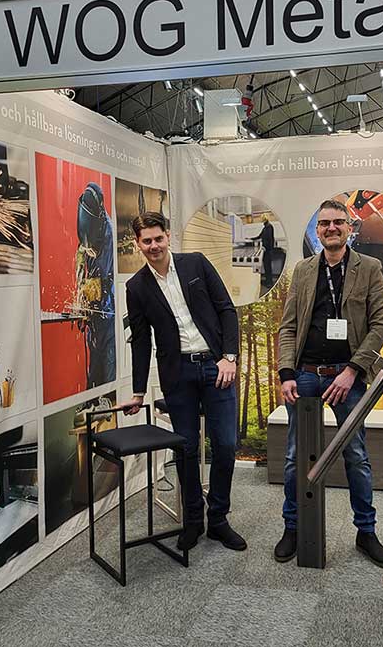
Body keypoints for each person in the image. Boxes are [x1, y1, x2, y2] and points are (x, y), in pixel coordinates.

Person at [274, 199, 383, 568]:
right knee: (294, 456)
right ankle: (292, 527)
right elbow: (288, 327)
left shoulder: (369, 268)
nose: (331, 228)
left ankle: (366, 532)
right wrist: (286, 373)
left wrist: (353, 370)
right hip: (306, 375)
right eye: (324, 223)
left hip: (347, 375)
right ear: (317, 230)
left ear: (349, 228)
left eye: (338, 222)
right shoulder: (303, 270)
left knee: (356, 455)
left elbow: (380, 326)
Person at [121, 212, 246, 552]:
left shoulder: (196, 264)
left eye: (158, 238)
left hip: (216, 366)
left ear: (168, 236)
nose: (154, 246)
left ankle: (218, 519)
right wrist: (137, 391)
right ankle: (193, 521)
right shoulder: (136, 287)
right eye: (146, 241)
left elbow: (226, 310)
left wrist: (229, 357)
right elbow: (141, 341)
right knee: (186, 448)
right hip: (178, 376)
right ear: (138, 244)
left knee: (225, 445)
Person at [76, 183, 116, 387]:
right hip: (96, 320)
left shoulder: (108, 233)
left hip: (108, 314)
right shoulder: (90, 228)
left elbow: (102, 275)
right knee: (94, 373)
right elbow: (83, 263)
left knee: (109, 373)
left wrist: (87, 301)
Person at [250, 215, 277, 288]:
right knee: (266, 266)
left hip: (268, 250)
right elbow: (259, 236)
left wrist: (266, 247)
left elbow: (270, 239)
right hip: (266, 250)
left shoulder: (269, 227)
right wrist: (250, 239)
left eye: (262, 219)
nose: (261, 220)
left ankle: (269, 283)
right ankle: (268, 281)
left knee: (268, 267)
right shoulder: (265, 228)